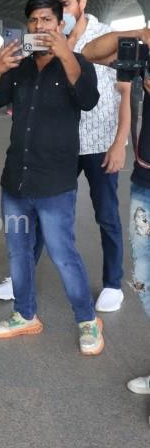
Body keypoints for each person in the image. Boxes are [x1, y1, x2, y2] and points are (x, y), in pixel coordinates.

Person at [0, 0, 130, 313]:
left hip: (97, 139)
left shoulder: (105, 35)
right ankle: (21, 280)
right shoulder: (30, 54)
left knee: (106, 214)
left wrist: (120, 142)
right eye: (36, 19)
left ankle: (112, 283)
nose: (44, 23)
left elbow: (114, 92)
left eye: (63, 6)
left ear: (80, 4)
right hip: (57, 145)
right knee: (39, 213)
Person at [0, 0, 102, 355]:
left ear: (61, 24)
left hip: (55, 183)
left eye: (47, 19)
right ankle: (25, 315)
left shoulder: (79, 64)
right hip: (16, 180)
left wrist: (66, 55)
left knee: (63, 254)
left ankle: (87, 320)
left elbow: (88, 99)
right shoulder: (19, 66)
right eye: (34, 20)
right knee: (18, 253)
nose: (40, 26)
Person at [83, 26, 150, 394]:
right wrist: (140, 33)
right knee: (144, 279)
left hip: (133, 168)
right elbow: (92, 53)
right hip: (145, 179)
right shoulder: (142, 50)